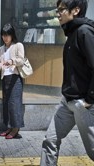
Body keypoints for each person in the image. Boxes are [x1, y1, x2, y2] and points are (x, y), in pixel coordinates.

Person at [40, 0, 94, 165]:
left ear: (76, 10)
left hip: (83, 103)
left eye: (61, 9)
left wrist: (89, 100)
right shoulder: (72, 33)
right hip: (67, 102)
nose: (58, 14)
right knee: (50, 140)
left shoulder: (85, 32)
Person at [0, 23, 25, 139]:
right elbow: (0, 64)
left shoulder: (18, 45)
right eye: (3, 35)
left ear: (12, 35)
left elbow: (21, 60)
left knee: (14, 104)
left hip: (15, 78)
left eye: (7, 35)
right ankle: (9, 127)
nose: (5, 37)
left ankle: (16, 129)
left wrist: (11, 61)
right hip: (5, 78)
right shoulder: (0, 49)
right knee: (6, 104)